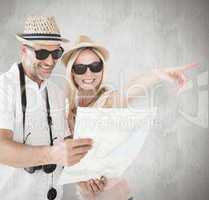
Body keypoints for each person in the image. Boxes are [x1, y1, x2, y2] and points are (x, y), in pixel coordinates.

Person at [61, 35, 199, 200]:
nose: (89, 73)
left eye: (95, 66)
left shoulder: (107, 100)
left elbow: (129, 90)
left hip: (117, 195)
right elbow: (63, 154)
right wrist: (82, 178)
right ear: (72, 73)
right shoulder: (65, 108)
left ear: (102, 69)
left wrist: (158, 74)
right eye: (81, 68)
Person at [0, 16, 94, 200]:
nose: (50, 62)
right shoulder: (0, 90)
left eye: (56, 54)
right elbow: (1, 151)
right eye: (41, 54)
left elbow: (66, 146)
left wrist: (86, 175)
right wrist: (53, 154)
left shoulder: (56, 93)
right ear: (23, 51)